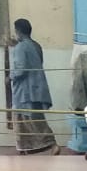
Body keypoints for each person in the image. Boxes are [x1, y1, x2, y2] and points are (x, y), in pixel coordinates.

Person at [8, 18, 59, 155]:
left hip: (24, 91)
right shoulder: (36, 46)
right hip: (37, 89)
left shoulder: (20, 47)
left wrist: (10, 77)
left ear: (18, 31)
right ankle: (27, 148)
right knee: (35, 117)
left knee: (27, 120)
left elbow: (20, 69)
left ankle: (51, 144)